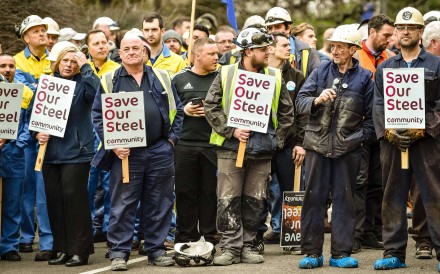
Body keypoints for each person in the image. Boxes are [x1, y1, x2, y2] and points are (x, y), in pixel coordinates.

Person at [91, 34, 183, 271]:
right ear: (120, 54)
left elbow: (178, 111)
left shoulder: (162, 77)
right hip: (125, 154)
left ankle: (156, 249)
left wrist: (171, 141)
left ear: (144, 51)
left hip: (159, 151)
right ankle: (119, 252)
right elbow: (98, 116)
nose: (131, 52)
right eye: (126, 49)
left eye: (136, 48)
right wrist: (112, 143)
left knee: (160, 203)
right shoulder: (109, 80)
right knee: (122, 204)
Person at [204, 27, 294, 266]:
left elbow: (287, 114)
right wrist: (230, 130)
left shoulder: (275, 76)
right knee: (228, 199)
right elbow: (211, 107)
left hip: (262, 150)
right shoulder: (226, 74)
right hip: (230, 148)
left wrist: (276, 141)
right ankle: (230, 247)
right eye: (263, 49)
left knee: (255, 200)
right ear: (247, 51)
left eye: (268, 48)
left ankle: (247, 245)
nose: (268, 52)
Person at [296, 24, 374, 269]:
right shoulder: (320, 71)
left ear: (353, 50)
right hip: (316, 145)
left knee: (345, 200)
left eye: (340, 46)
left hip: (348, 149)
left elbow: (373, 118)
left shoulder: (364, 78)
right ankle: (311, 252)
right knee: (313, 198)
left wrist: (359, 138)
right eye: (333, 46)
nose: (335, 50)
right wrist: (317, 100)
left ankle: (340, 253)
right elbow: (300, 101)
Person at [372, 7, 440, 271]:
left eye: (411, 28)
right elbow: (378, 104)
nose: (405, 32)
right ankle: (394, 253)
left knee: (433, 194)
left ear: (421, 32)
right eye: (401, 28)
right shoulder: (385, 68)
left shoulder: (436, 65)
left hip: (427, 141)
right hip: (393, 142)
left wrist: (424, 128)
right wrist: (388, 132)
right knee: (392, 194)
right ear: (396, 33)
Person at [34, 43, 98, 267]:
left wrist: (86, 66)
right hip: (51, 153)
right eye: (65, 60)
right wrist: (37, 132)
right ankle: (62, 248)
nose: (69, 65)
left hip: (77, 152)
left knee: (74, 198)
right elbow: (35, 114)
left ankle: (80, 250)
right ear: (57, 61)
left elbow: (97, 94)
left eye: (73, 61)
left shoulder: (84, 83)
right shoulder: (47, 84)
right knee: (55, 200)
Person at [257, 32, 306, 252]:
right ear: (271, 48)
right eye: (285, 45)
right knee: (258, 192)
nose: (290, 48)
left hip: (288, 145)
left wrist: (301, 142)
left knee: (291, 191)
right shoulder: (257, 74)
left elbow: (303, 114)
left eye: (290, 45)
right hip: (261, 144)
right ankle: (255, 238)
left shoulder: (296, 76)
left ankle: (293, 237)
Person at [351, 14, 395, 254]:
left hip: (384, 130)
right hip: (361, 127)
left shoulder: (391, 59)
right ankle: (355, 234)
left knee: (378, 184)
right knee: (359, 182)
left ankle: (371, 231)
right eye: (386, 34)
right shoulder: (356, 56)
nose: (391, 39)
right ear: (373, 32)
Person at [14, 15, 54, 261]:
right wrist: (42, 88)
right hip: (25, 136)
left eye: (43, 30)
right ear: (26, 37)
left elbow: (57, 91)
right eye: (36, 31)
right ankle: (26, 237)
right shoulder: (16, 62)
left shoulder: (55, 59)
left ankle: (48, 239)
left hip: (51, 133)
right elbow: (22, 96)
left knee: (46, 190)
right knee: (26, 190)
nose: (42, 34)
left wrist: (35, 87)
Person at [172, 37, 219, 247]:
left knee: (210, 192)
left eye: (217, 53)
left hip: (213, 144)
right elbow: (168, 110)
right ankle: (186, 235)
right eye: (211, 54)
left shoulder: (221, 77)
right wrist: (185, 110)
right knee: (185, 192)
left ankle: (209, 235)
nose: (216, 57)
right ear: (197, 55)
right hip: (185, 144)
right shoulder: (178, 79)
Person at [406, 20, 440, 260]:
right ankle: (424, 240)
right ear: (434, 42)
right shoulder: (422, 65)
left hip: (431, 131)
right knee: (421, 189)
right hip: (426, 136)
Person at [0, 54, 33, 261]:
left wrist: (18, 143)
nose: (7, 69)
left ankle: (9, 246)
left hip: (14, 154)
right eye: (2, 66)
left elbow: (30, 122)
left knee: (13, 203)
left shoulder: (25, 91)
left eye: (11, 65)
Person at [264, 7, 320, 78]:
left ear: (288, 28)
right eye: (269, 28)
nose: (273, 31)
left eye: (277, 27)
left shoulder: (308, 52)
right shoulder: (262, 50)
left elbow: (317, 80)